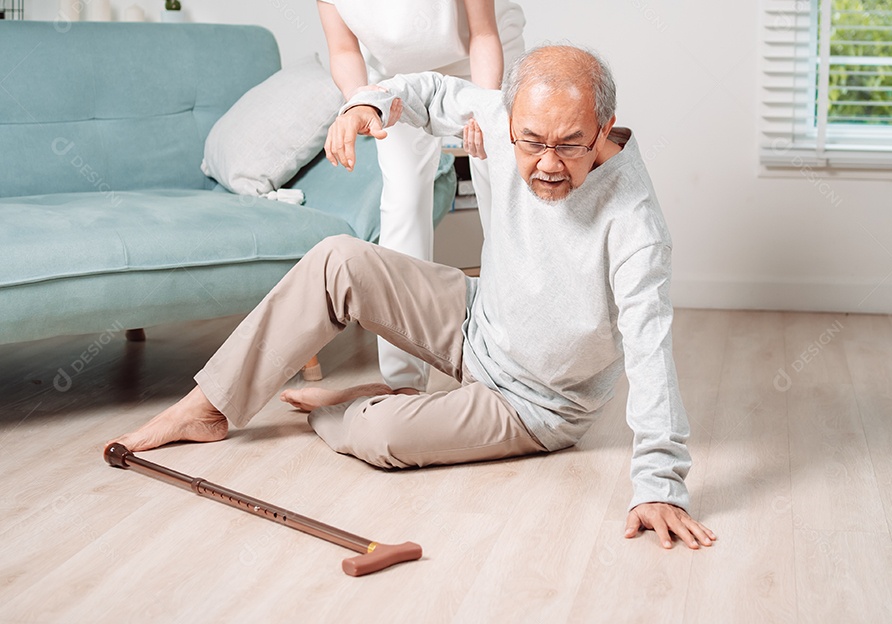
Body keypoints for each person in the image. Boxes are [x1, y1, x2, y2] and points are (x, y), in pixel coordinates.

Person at [111, 46, 715, 550]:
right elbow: (424, 92)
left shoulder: (636, 225)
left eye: (569, 145)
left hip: (536, 404)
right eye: (530, 142)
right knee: (337, 259)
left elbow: (651, 354)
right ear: (511, 119)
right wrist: (364, 104)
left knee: (381, 438)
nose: (546, 165)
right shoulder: (503, 119)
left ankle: (362, 407)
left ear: (605, 130)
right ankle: (211, 405)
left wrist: (659, 485)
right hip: (476, 320)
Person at [297, 0, 526, 391]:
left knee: (501, 202)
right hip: (398, 78)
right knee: (401, 205)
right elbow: (344, 50)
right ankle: (402, 380)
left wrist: (485, 110)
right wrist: (359, 105)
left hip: (482, 64)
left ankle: (512, 368)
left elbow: (484, 33)